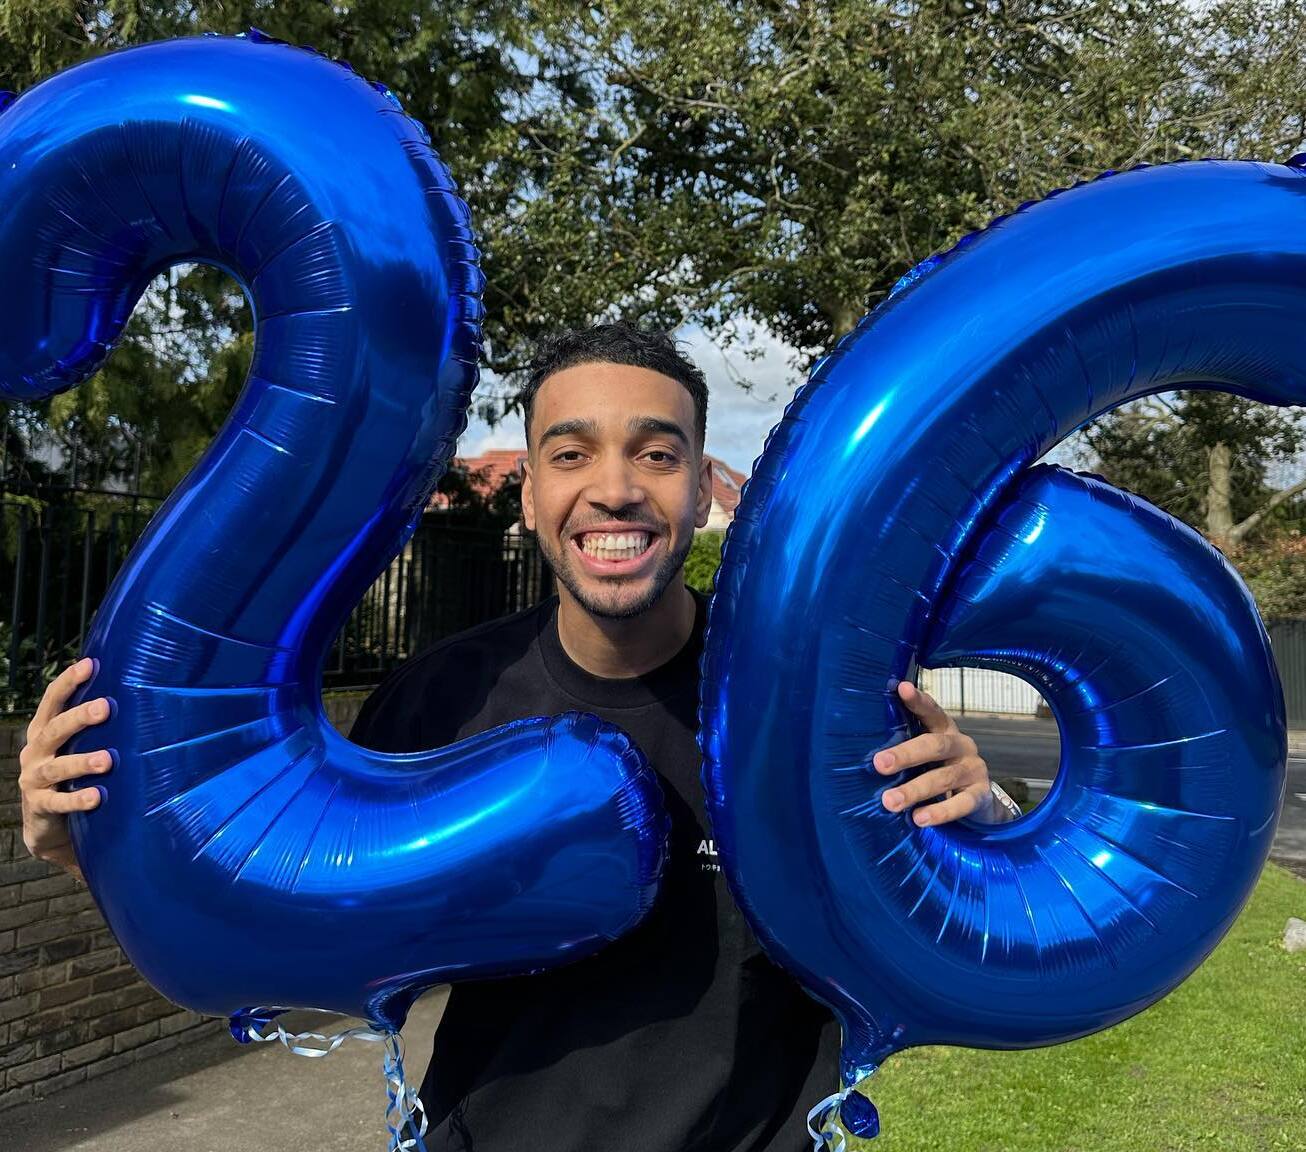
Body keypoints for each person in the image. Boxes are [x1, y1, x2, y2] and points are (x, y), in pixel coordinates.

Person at [19, 322, 1020, 1151]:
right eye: (571, 452)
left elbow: (970, 923)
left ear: (702, 489)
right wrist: (95, 855)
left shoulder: (808, 705)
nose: (615, 487)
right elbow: (267, 934)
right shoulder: (439, 700)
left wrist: (980, 814)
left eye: (657, 453)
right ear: (531, 491)